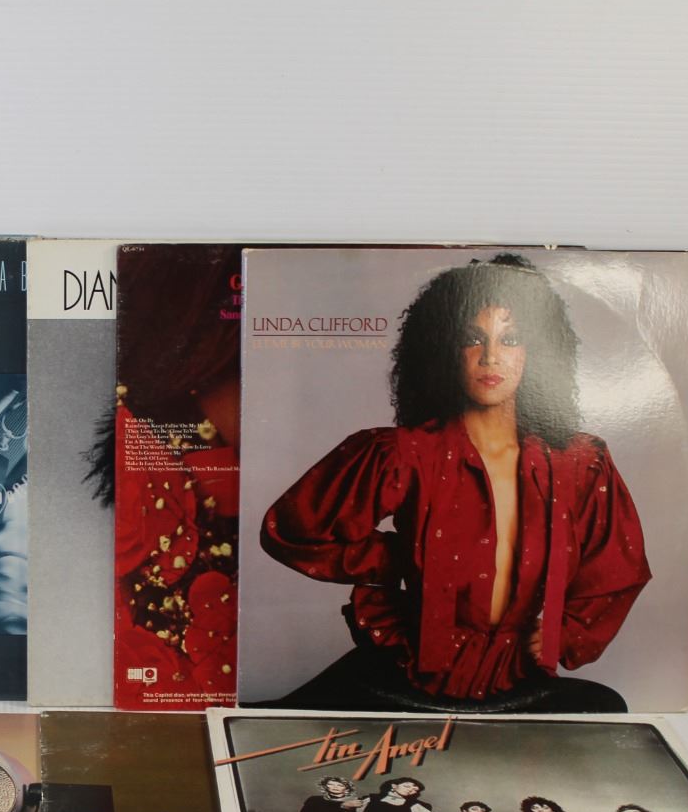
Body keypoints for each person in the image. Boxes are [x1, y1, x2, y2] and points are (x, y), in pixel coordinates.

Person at [259, 254, 649, 713]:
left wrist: (564, 633)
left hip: (517, 682)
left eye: (511, 339)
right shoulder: (403, 453)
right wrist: (397, 558)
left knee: (607, 711)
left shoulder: (580, 464)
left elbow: (617, 569)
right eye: (472, 338)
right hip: (404, 678)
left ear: (539, 351)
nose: (490, 356)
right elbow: (293, 529)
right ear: (443, 348)